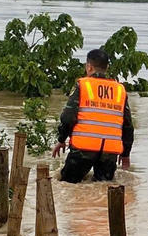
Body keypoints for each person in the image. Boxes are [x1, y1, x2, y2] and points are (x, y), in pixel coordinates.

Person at [52, 48, 134, 182]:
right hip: (110, 152)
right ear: (107, 67)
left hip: (83, 148)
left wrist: (61, 139)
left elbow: (68, 117)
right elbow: (128, 125)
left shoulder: (82, 85)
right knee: (104, 188)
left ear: (89, 66)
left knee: (68, 186)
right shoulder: (120, 90)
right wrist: (126, 154)